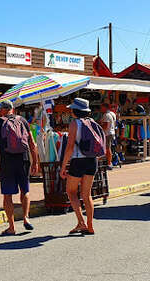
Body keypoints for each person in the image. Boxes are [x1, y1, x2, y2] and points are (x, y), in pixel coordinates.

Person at [0, 100, 39, 235]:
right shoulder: (22, 120)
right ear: (12, 109)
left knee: (8, 194)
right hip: (24, 159)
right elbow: (32, 143)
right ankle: (26, 217)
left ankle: (12, 227)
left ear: (2, 110)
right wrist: (35, 162)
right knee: (25, 190)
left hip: (7, 161)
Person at [60, 98, 97, 235]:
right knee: (87, 195)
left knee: (71, 191)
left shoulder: (75, 124)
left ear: (75, 111)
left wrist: (63, 166)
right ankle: (90, 225)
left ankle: (81, 222)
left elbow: (69, 147)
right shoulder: (92, 122)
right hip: (92, 160)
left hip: (78, 161)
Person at [101, 103, 116, 170]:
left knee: (107, 148)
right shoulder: (112, 114)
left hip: (107, 133)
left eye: (102, 107)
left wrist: (98, 125)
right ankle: (109, 162)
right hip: (111, 132)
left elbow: (105, 126)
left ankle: (109, 163)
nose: (101, 109)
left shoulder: (106, 115)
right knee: (108, 148)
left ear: (105, 107)